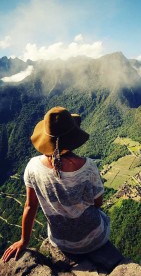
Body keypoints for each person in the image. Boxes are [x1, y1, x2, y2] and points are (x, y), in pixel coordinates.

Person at [1, 106, 110, 263]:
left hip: (61, 242)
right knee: (104, 217)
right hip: (94, 240)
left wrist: (24, 241)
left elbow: (30, 206)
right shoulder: (88, 167)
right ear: (73, 139)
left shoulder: (32, 167)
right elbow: (98, 204)